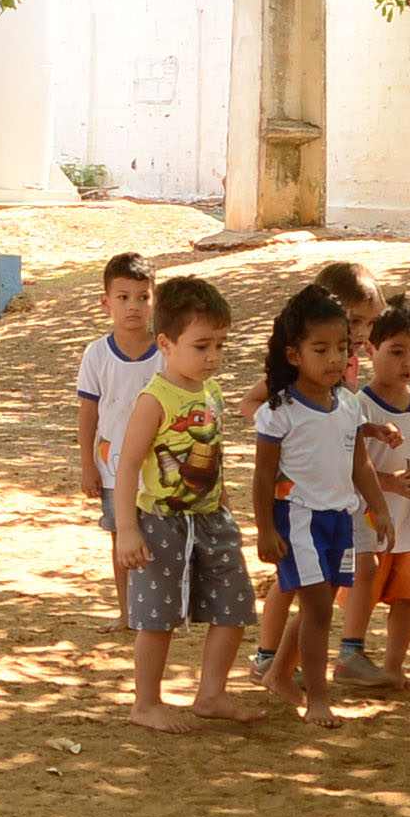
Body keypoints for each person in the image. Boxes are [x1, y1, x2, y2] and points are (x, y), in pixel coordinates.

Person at [104, 273, 255, 733]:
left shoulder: (212, 393)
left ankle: (211, 693)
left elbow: (215, 453)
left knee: (235, 604)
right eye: (202, 345)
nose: (213, 357)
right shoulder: (155, 398)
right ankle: (145, 702)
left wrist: (226, 506)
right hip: (162, 523)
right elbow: (127, 464)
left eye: (220, 346)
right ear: (167, 344)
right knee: (158, 617)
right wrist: (127, 529)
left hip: (211, 519)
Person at [244, 286, 363, 722]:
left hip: (340, 518)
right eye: (322, 348)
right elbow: (262, 475)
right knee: (316, 609)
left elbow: (359, 462)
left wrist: (378, 507)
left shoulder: (349, 406)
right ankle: (317, 697)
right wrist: (265, 528)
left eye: (342, 348)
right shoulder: (279, 411)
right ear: (294, 354)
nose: (335, 358)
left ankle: (278, 674)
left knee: (321, 603)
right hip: (298, 519)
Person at [338, 301, 410, 687]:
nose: (408, 363)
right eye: (397, 352)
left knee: (408, 597)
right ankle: (354, 655)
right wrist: (389, 483)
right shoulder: (358, 405)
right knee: (363, 590)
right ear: (370, 350)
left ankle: (393, 665)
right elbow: (350, 467)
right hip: (371, 519)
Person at [67, 255, 162, 622]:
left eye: (142, 297)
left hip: (159, 468)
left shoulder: (165, 354)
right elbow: (88, 412)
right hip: (112, 467)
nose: (133, 306)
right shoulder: (96, 354)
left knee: (160, 539)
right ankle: (127, 613)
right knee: (120, 538)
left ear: (155, 300)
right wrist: (87, 465)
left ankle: (160, 611)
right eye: (123, 297)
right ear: (105, 301)